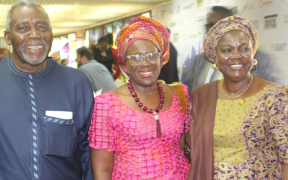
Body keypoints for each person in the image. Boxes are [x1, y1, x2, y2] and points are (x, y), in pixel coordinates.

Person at [0, 0, 94, 179]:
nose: (35, 34)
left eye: (42, 27)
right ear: (7, 37)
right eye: (22, 28)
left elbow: (89, 150)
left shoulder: (76, 83)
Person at [88, 16, 190, 179]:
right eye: (135, 57)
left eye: (151, 55)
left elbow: (182, 146)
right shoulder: (107, 103)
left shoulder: (177, 94)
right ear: (125, 63)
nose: (145, 63)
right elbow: (102, 169)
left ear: (161, 57)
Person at [187, 16, 288, 180]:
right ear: (215, 57)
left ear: (253, 53)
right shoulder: (201, 96)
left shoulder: (275, 97)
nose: (236, 56)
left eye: (244, 49)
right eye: (227, 50)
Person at [190, 6, 284, 93]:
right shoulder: (200, 59)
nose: (210, 30)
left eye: (215, 24)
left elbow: (275, 101)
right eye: (208, 25)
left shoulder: (265, 61)